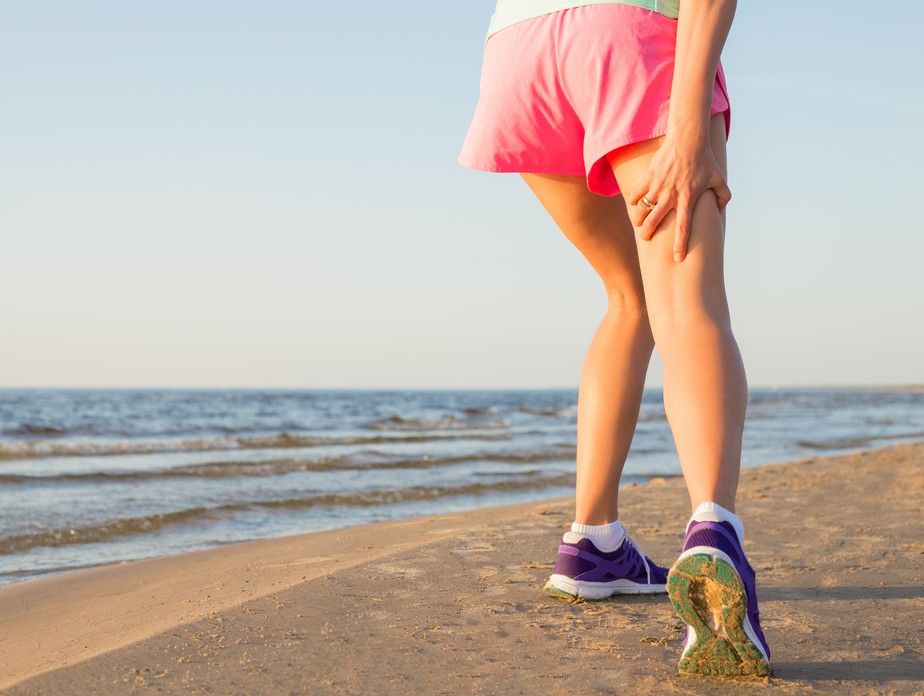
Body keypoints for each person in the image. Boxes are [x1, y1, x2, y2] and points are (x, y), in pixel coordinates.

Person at [458, 0, 770, 677]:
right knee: (687, 296)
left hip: (520, 46)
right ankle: (716, 534)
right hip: (630, 33)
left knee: (629, 295)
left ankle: (594, 542)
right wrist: (688, 118)